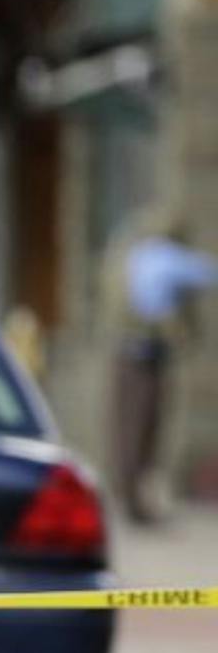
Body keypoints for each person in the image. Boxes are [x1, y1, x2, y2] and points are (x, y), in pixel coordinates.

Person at [110, 215, 217, 525]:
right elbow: (203, 273)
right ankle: (135, 502)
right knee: (142, 431)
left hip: (129, 356)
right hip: (144, 358)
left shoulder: (135, 256)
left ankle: (132, 500)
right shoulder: (165, 258)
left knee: (130, 430)